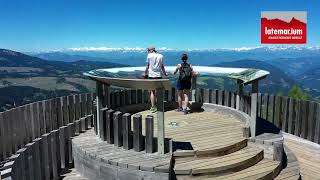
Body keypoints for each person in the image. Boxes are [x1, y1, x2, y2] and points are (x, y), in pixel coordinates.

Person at [144, 47, 167, 113]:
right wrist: (164, 73)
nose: (148, 52)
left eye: (148, 50)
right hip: (159, 75)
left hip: (151, 75)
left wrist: (145, 73)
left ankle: (153, 107)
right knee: (159, 91)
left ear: (151, 50)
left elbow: (147, 66)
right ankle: (160, 106)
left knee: (152, 92)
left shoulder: (149, 56)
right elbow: (162, 66)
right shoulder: (161, 56)